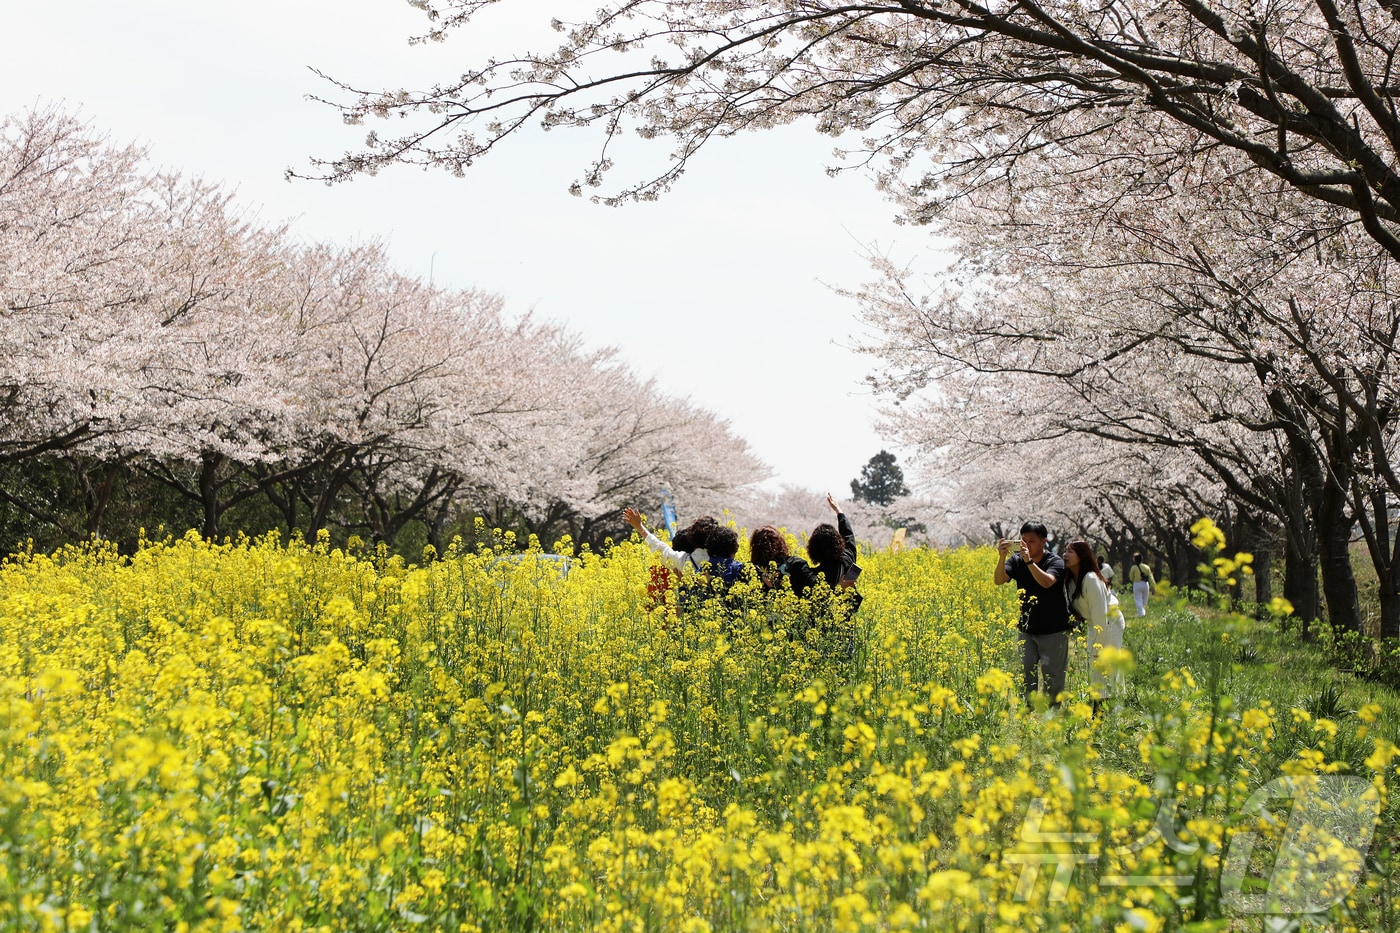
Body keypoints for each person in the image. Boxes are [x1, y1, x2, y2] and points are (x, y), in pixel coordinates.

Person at [995, 522, 1073, 706]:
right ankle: (1028, 709)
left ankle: (1052, 712)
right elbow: (999, 580)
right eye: (1023, 540)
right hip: (1027, 628)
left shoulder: (1055, 561)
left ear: (1043, 542)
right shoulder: (1016, 560)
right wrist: (1002, 557)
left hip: (1054, 628)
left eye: (1032, 541)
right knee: (1026, 670)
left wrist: (1029, 562)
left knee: (1052, 674)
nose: (1027, 544)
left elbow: (1047, 582)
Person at [1064, 540, 1126, 710]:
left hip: (1109, 623)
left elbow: (1100, 614)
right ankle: (1106, 707)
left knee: (1104, 664)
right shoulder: (1070, 579)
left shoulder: (1091, 579)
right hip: (1095, 624)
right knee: (1097, 666)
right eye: (1065, 551)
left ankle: (1104, 709)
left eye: (1070, 552)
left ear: (1082, 556)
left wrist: (1098, 646)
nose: (1065, 555)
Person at [750, 525, 819, 597]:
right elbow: (814, 586)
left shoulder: (751, 569)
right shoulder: (796, 564)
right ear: (780, 543)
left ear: (754, 547)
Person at [1128, 552, 1156, 618]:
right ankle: (1143, 612)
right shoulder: (1146, 567)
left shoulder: (1133, 568)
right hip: (1145, 584)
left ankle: (1141, 614)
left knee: (1138, 599)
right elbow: (1151, 578)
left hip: (1137, 584)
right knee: (1144, 600)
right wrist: (1153, 586)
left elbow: (1131, 578)